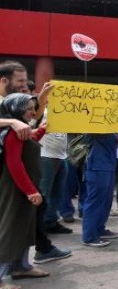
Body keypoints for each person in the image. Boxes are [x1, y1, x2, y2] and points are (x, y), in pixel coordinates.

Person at [0, 94, 50, 287]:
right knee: (10, 229)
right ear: (17, 109)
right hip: (16, 189)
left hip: (23, 188)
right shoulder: (13, 132)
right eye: (29, 108)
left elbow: (31, 138)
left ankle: (21, 266)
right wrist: (30, 191)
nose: (32, 111)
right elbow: (14, 164)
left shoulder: (21, 128)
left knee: (23, 228)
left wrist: (45, 128)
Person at [81, 132, 118, 247]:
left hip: (108, 165)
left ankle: (99, 229)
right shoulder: (92, 126)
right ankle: (89, 236)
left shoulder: (112, 127)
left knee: (106, 201)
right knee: (95, 201)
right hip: (97, 166)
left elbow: (115, 145)